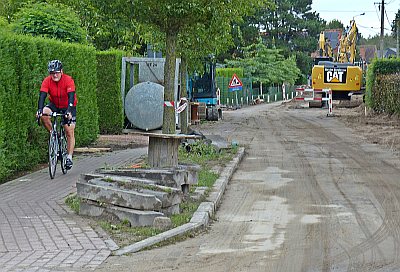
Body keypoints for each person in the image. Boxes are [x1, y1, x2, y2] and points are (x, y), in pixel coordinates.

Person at [36, 60, 77, 170]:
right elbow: (42, 96)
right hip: (54, 104)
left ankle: (69, 157)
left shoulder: (68, 80)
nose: (54, 75)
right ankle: (53, 134)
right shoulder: (47, 81)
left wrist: (68, 111)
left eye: (57, 72)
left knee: (69, 131)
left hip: (68, 105)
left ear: (61, 71)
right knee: (44, 114)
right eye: (52, 73)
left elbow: (71, 97)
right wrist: (39, 110)